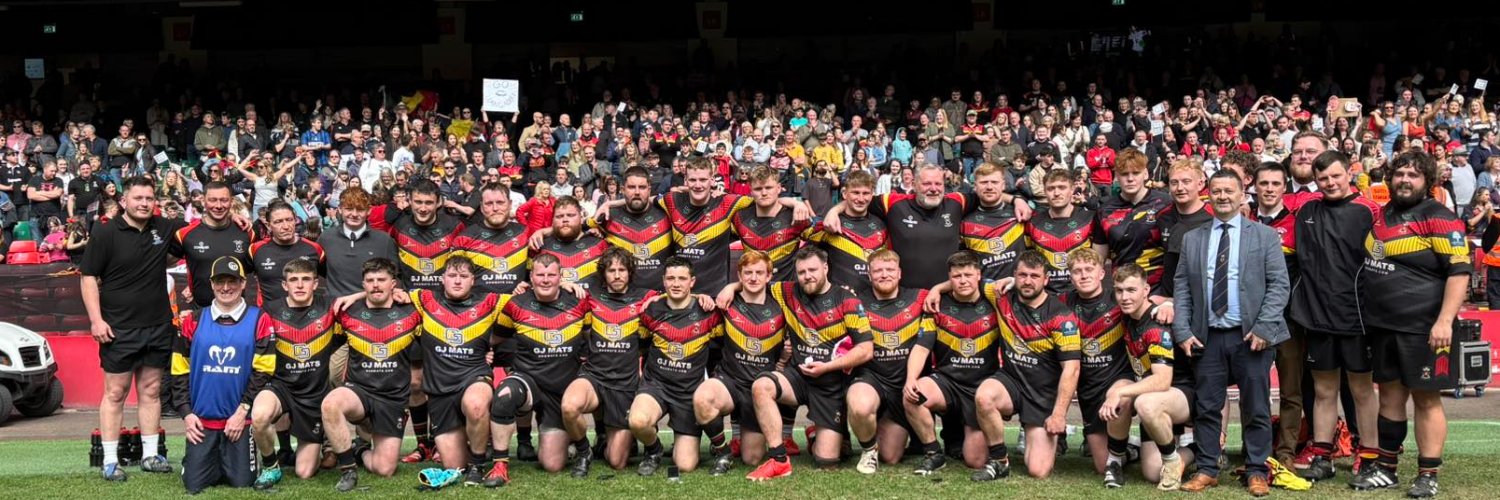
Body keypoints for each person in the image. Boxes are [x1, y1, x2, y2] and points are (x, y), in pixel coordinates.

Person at [1351, 151, 1470, 498]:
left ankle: (1428, 473)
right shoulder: (1384, 214)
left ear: (1428, 182)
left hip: (1427, 329)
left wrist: (1445, 321)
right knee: (1389, 395)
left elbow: (1460, 272)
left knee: (1426, 399)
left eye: (1414, 175)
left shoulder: (1440, 217)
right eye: (1400, 173)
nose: (1405, 179)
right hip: (1384, 327)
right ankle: (1387, 469)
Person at [1173, 169, 1290, 497]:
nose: (1222, 196)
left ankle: (1256, 470)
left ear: (1242, 195)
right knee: (1207, 407)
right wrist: (1182, 329)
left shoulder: (1264, 236)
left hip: (1251, 335)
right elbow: (1181, 285)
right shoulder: (1193, 238)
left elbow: (1280, 285)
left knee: (1256, 407)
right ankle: (1208, 467)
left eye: (1229, 191)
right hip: (1207, 336)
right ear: (1208, 195)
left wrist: (1265, 326)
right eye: (1217, 190)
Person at [81, 176, 191, 481]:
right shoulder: (104, 232)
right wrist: (96, 320)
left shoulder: (164, 228)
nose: (144, 203)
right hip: (117, 329)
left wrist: (236, 216)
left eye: (149, 198)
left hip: (157, 325)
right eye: (138, 198)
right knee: (115, 393)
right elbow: (88, 277)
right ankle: (111, 461)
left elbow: (200, 231)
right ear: (124, 201)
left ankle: (151, 455)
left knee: (152, 391)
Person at [1289, 151, 1382, 482]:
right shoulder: (1308, 211)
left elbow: (1380, 266)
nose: (1329, 183)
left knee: (1361, 390)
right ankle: (1323, 455)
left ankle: (1369, 455)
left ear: (1349, 174)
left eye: (1335, 176)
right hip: (1318, 318)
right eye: (1323, 178)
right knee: (1324, 390)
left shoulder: (1368, 211)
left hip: (1357, 319)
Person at [741, 246, 873, 480]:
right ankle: (779, 459)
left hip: (831, 384)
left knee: (827, 461)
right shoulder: (787, 291)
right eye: (801, 272)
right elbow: (754, 284)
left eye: (812, 270)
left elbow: (865, 350)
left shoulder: (848, 300)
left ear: (825, 268)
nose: (807, 276)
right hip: (799, 377)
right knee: (761, 386)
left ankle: (826, 432)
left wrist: (828, 366)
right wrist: (732, 287)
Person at [902, 251, 1013, 480]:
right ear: (949, 278)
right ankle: (933, 452)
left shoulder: (994, 300)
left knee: (975, 461)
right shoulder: (937, 305)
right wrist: (911, 379)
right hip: (947, 383)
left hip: (982, 386)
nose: (963, 280)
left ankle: (987, 442)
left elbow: (1013, 282)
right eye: (957, 276)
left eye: (968, 275)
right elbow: (922, 348)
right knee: (913, 394)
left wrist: (1008, 281)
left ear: (979, 276)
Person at [169, 256, 273, 494]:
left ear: (243, 283)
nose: (226, 288)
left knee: (242, 482)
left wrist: (243, 410)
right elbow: (178, 369)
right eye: (220, 281)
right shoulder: (193, 320)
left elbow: (264, 370)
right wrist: (186, 413)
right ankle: (200, 460)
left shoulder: (259, 318)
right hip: (202, 423)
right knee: (194, 484)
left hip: (239, 422)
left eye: (232, 281)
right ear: (212, 283)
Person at [486, 253, 591, 485]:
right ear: (531, 277)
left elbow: (591, 339)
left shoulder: (579, 302)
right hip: (529, 381)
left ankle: (575, 444)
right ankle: (500, 465)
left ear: (560, 277)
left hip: (561, 390)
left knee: (552, 465)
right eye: (540, 275)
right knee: (504, 395)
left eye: (551, 275)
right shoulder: (515, 304)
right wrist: (482, 352)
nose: (545, 280)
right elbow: (494, 339)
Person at [321, 258, 422, 492]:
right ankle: (348, 470)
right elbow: (326, 345)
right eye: (370, 280)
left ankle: (360, 450)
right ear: (363, 284)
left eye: (381, 280)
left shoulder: (412, 313)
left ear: (393, 284)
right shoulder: (346, 313)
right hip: (360, 391)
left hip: (393, 398)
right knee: (331, 404)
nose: (376, 285)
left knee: (384, 469)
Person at [405, 256, 506, 487]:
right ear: (442, 279)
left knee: (476, 404)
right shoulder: (424, 299)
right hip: (440, 390)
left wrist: (566, 285)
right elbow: (384, 292)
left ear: (473, 280)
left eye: (463, 277)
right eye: (452, 276)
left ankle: (478, 465)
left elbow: (531, 299)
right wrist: (355, 295)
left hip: (474, 377)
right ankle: (479, 443)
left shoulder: (491, 301)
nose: (457, 281)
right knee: (453, 466)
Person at [562, 248, 658, 476]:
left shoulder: (646, 297)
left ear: (630, 272)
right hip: (594, 376)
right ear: (603, 274)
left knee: (617, 461)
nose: (617, 275)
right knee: (569, 406)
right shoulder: (590, 296)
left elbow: (677, 297)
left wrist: (698, 296)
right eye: (611, 270)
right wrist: (563, 285)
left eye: (622, 270)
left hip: (625, 383)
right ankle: (585, 452)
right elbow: (548, 291)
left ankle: (637, 442)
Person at [248, 259, 342, 489]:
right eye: (293, 280)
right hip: (280, 386)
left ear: (315, 283)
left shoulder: (330, 307)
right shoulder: (269, 310)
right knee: (259, 417)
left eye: (306, 279)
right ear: (284, 285)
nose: (299, 285)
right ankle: (271, 467)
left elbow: (366, 303)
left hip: (313, 392)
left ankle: (324, 442)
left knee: (304, 472)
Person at [629, 257, 724, 475]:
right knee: (637, 421)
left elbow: (721, 348)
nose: (676, 283)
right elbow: (642, 347)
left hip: (689, 393)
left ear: (692, 281)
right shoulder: (650, 311)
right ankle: (653, 450)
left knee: (685, 465)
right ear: (663, 281)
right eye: (671, 278)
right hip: (657, 386)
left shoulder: (708, 312)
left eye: (682, 278)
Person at [697, 251, 790, 475]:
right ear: (739, 275)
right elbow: (684, 301)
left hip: (758, 390)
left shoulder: (782, 305)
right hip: (729, 381)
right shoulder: (726, 303)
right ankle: (722, 451)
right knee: (703, 398)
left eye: (759, 273)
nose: (753, 278)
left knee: (752, 458)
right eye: (747, 273)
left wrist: (784, 358)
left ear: (769, 276)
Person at [1106, 263, 1197, 490]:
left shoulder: (1156, 324)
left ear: (1146, 290)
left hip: (1180, 393)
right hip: (1154, 395)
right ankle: (1117, 459)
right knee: (1152, 472)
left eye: (1131, 290)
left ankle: (1192, 453)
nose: (1124, 297)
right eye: (1119, 290)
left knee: (1139, 400)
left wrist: (1121, 391)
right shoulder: (1127, 314)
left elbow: (1162, 381)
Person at [841, 250, 928, 473]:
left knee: (890, 456)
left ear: (899, 273)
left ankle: (884, 426)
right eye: (877, 271)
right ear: (869, 275)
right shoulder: (854, 301)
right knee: (860, 407)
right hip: (871, 379)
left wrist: (939, 288)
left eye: (889, 270)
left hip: (902, 386)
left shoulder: (921, 298)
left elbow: (957, 287)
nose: (884, 275)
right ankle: (869, 450)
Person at [1024, 169, 1107, 294]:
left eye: (1062, 187)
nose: (1056, 193)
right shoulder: (1032, 222)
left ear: (1072, 189)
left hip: (1082, 294)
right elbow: (1029, 261)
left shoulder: (1090, 219)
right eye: (1051, 188)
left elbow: (1099, 261)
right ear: (1044, 191)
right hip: (1047, 296)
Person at [802, 170, 889, 289]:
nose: (861, 198)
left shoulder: (881, 225)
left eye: (866, 193)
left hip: (873, 301)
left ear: (872, 194)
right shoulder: (829, 224)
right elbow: (804, 260)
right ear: (844, 193)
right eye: (856, 193)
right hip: (840, 301)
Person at [731, 166, 812, 283]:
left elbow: (821, 238)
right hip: (752, 291)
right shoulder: (740, 217)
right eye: (758, 189)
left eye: (768, 188)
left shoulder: (795, 217)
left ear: (779, 188)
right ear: (751, 191)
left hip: (785, 294)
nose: (764, 193)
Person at [248, 200, 326, 305]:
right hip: (269, 317)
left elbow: (334, 279)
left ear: (295, 221)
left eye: (289, 220)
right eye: (278, 222)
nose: (285, 226)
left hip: (306, 317)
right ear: (269, 225)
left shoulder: (314, 249)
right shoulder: (256, 249)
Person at [960, 163, 1025, 282]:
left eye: (994, 182)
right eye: (984, 182)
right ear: (975, 186)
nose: (989, 187)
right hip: (985, 292)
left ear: (1003, 185)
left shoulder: (1020, 215)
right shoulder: (965, 222)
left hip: (1019, 291)